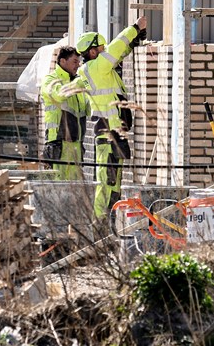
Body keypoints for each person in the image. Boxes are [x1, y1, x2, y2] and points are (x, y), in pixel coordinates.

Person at [75, 16, 148, 219]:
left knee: (113, 181)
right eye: (101, 48)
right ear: (92, 51)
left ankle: (109, 220)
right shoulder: (95, 67)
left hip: (112, 133)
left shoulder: (99, 68)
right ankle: (100, 222)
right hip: (108, 134)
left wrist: (134, 42)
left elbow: (119, 53)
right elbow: (116, 48)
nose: (104, 51)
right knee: (106, 181)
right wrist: (135, 28)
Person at [40, 45, 89, 180]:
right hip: (58, 144)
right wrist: (80, 81)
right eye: (74, 61)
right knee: (58, 187)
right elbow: (59, 95)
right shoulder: (50, 80)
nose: (78, 65)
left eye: (79, 62)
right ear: (62, 61)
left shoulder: (77, 82)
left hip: (76, 145)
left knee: (75, 190)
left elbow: (89, 109)